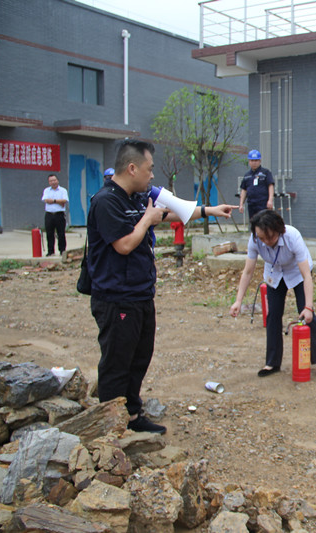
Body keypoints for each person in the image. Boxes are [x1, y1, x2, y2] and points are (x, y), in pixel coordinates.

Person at [87, 139, 236, 434]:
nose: (152, 175)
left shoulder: (138, 197)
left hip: (141, 293)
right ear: (132, 168)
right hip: (116, 297)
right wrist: (147, 220)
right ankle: (111, 429)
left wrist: (210, 210)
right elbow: (124, 245)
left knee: (139, 357)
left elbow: (172, 213)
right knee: (117, 361)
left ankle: (132, 416)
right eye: (149, 168)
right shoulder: (106, 201)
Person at [229, 209, 316, 377]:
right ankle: (272, 363)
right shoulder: (255, 240)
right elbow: (248, 272)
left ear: (279, 230)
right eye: (262, 238)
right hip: (274, 274)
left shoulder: (292, 236)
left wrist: (309, 306)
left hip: (297, 272)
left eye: (271, 237)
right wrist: (238, 300)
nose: (266, 242)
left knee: (306, 312)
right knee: (273, 315)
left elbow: (306, 275)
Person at [238, 150, 274, 222]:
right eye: (252, 160)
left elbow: (270, 186)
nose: (254, 163)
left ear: (259, 161)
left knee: (264, 222)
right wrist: (241, 204)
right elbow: (244, 190)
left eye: (256, 160)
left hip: (263, 203)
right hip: (251, 204)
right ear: (249, 161)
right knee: (253, 222)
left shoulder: (265, 173)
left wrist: (270, 200)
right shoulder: (247, 175)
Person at [41, 174, 69, 256]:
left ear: (57, 180)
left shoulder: (63, 190)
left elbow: (64, 200)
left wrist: (53, 201)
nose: (53, 182)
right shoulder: (46, 190)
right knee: (49, 233)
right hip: (49, 214)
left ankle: (62, 251)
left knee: (61, 233)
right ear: (49, 182)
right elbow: (46, 200)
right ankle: (50, 251)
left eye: (54, 180)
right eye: (51, 181)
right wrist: (58, 201)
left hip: (59, 214)